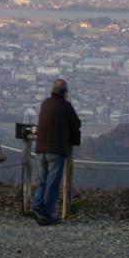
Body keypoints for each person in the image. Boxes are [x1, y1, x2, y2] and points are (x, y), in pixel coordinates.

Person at [29, 77, 82, 226]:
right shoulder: (65, 106)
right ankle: (47, 214)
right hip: (56, 149)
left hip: (40, 148)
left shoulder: (45, 103)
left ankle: (36, 208)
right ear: (65, 92)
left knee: (42, 181)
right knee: (53, 183)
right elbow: (77, 124)